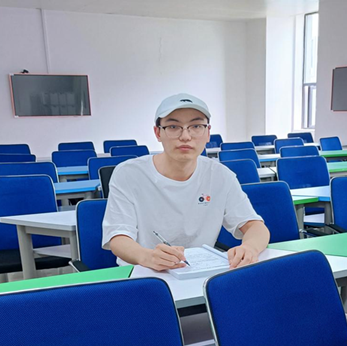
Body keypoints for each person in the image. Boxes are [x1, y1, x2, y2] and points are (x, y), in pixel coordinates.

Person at [102, 93, 270, 271]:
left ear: (208, 133)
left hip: (198, 272)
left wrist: (249, 248)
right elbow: (118, 237)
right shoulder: (129, 174)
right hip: (143, 272)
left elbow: (255, 226)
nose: (185, 136)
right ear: (158, 133)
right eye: (173, 126)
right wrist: (147, 257)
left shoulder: (221, 176)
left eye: (196, 126)